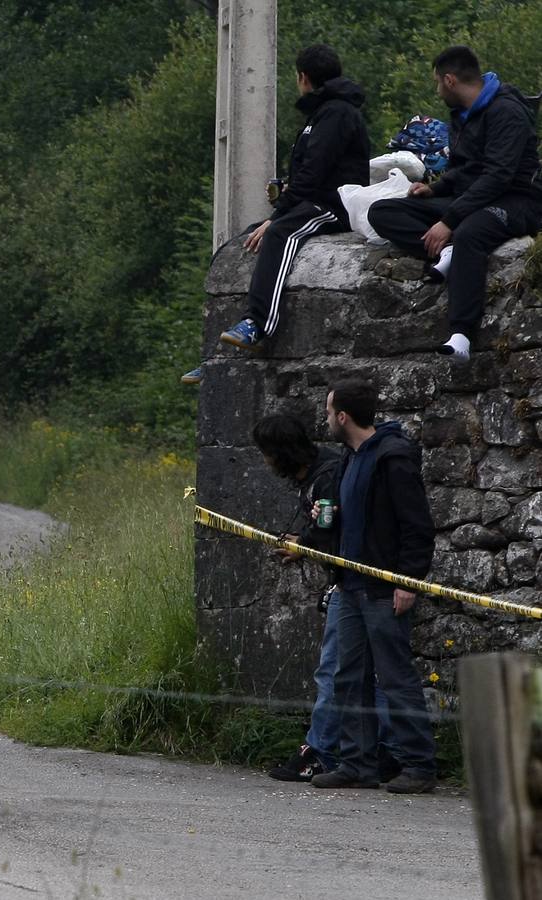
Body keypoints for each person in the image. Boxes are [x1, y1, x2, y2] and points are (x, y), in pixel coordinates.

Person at [183, 45, 369, 384]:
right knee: (241, 243)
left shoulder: (337, 113)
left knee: (280, 233)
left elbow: (315, 172)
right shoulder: (322, 114)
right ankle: (215, 355)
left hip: (334, 205)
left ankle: (258, 325)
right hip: (311, 201)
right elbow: (310, 172)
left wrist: (279, 212)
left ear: (303, 77)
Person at [368, 45, 542, 362]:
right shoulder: (463, 115)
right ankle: (446, 252)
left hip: (518, 200)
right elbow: (464, 169)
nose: (437, 91)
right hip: (471, 198)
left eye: (437, 83)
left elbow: (497, 176)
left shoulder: (506, 112)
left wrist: (449, 220)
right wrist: (433, 190)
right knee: (382, 211)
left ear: (450, 80)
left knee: (470, 233)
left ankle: (461, 334)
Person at [253, 414, 398, 783]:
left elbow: (333, 530)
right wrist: (304, 545)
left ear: (281, 453)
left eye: (267, 453)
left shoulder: (327, 475)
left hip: (355, 584)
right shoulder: (326, 472)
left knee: (335, 670)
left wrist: (305, 546)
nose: (265, 462)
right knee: (365, 674)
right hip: (354, 582)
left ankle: (319, 751)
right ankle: (387, 748)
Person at [310, 379, 437, 794]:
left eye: (329, 412)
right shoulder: (351, 458)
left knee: (396, 677)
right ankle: (357, 763)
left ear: (342, 416)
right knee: (349, 677)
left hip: (383, 588)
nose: (327, 419)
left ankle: (418, 765)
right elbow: (355, 518)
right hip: (350, 586)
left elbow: (416, 526)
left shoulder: (393, 457)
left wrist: (408, 581)